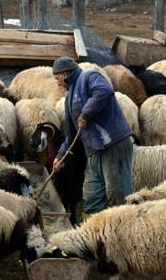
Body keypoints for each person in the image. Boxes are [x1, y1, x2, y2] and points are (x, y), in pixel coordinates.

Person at [52, 56, 134, 216]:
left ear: (65, 73)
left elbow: (104, 91)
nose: (57, 83)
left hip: (112, 144)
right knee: (92, 194)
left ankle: (123, 226)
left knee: (116, 192)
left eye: (57, 78)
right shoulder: (68, 98)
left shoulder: (88, 77)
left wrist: (86, 114)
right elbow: (72, 134)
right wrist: (60, 156)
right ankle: (93, 231)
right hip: (94, 151)